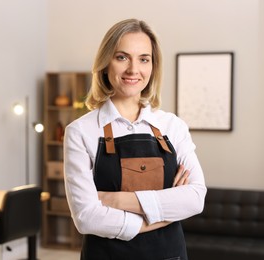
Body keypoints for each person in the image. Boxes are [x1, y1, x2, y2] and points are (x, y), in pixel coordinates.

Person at [63, 18, 206, 260]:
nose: (133, 70)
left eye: (143, 59)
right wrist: (159, 216)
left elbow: (194, 199)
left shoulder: (173, 126)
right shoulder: (80, 131)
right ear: (105, 63)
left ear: (153, 66)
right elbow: (86, 218)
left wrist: (117, 200)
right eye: (122, 57)